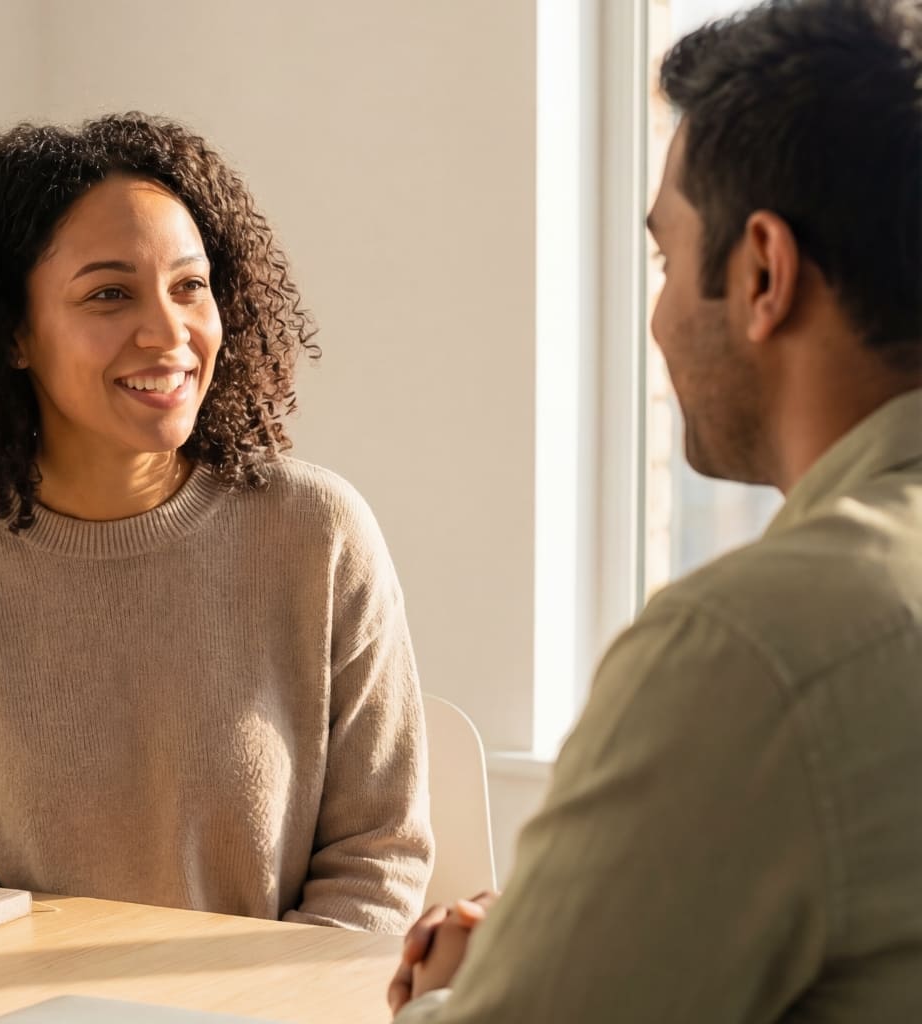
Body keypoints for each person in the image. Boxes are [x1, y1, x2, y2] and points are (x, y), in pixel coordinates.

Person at [389, 0, 922, 1018]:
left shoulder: (752, 647)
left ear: (764, 271)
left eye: (666, 259)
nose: (660, 316)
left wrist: (460, 992)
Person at [0, 113, 431, 932]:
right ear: (12, 333)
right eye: (110, 294)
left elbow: (377, 858)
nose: (169, 334)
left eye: (190, 286)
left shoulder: (316, 532)